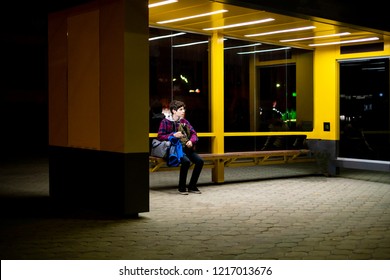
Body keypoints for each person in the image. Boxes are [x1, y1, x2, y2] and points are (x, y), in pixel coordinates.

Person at [157, 100, 204, 195]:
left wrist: (191, 141)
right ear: (174, 111)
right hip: (173, 150)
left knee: (200, 161)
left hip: (186, 148)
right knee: (186, 162)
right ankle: (182, 188)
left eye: (184, 109)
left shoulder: (184, 121)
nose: (183, 111)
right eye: (181, 109)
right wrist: (173, 135)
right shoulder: (165, 122)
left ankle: (192, 186)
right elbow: (160, 136)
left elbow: (194, 133)